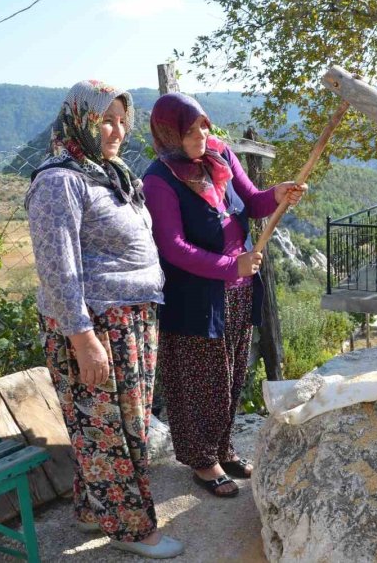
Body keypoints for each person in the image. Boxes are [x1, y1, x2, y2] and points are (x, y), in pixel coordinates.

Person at [27, 81, 183, 558]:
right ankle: (130, 529)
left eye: (121, 120)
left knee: (121, 425)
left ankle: (95, 510)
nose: (115, 131)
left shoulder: (106, 173)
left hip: (129, 320)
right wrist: (83, 339)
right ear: (81, 120)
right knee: (108, 430)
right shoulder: (60, 181)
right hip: (94, 326)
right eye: (105, 120)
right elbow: (58, 268)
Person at [142, 92, 306, 498]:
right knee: (202, 381)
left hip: (238, 290)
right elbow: (173, 247)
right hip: (196, 298)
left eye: (203, 124)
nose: (203, 133)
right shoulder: (159, 179)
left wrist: (279, 193)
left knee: (232, 375)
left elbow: (252, 202)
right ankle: (202, 460)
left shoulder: (220, 156)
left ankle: (223, 446)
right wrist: (230, 266)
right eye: (191, 128)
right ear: (169, 133)